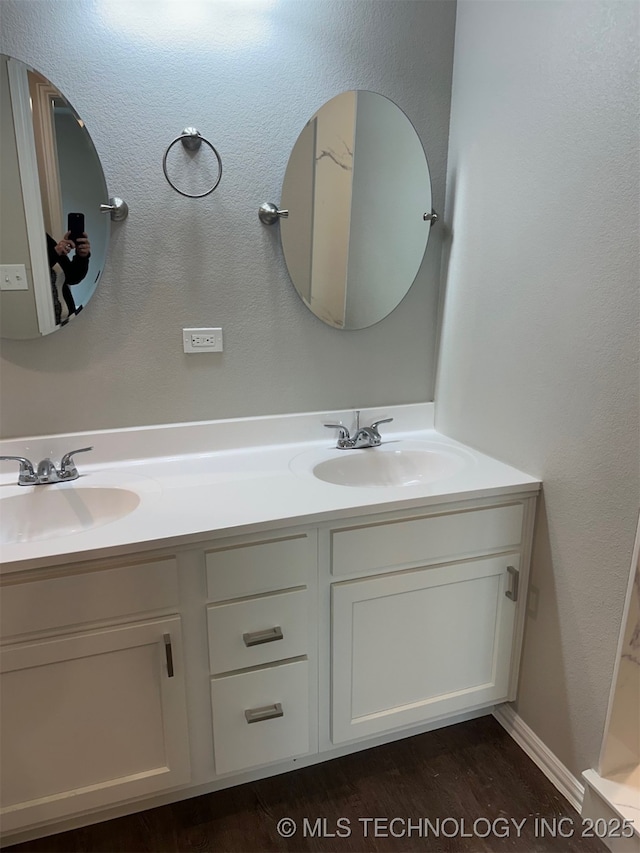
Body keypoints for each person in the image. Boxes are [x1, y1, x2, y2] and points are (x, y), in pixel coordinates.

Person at [46, 231, 91, 324]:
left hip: (67, 321)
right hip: (45, 324)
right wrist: (54, 253)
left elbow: (72, 277)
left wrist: (81, 257)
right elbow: (33, 275)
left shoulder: (45, 239)